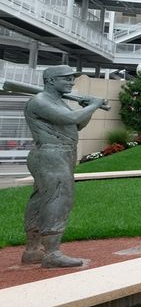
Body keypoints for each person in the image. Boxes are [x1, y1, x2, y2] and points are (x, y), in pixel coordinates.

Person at [22, 66, 106, 267]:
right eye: (66, 79)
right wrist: (93, 105)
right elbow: (71, 118)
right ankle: (52, 253)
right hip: (50, 153)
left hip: (61, 153)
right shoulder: (40, 101)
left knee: (42, 198)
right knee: (58, 198)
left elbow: (77, 125)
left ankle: (33, 251)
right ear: (50, 80)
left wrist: (87, 108)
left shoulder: (58, 101)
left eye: (72, 79)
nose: (71, 82)